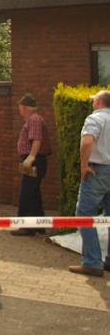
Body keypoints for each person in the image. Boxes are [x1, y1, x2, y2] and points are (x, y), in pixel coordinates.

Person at [69, 89, 110, 277]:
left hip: (98, 170)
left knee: (84, 214)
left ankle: (92, 262)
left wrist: (84, 166)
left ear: (99, 103)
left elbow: (87, 142)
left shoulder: (95, 118)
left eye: (95, 101)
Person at [11, 93, 53, 235]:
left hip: (33, 161)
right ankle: (39, 225)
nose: (19, 109)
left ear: (24, 107)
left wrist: (31, 157)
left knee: (27, 192)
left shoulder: (34, 119)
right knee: (33, 192)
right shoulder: (35, 119)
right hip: (34, 160)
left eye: (20, 106)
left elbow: (36, 139)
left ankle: (26, 227)